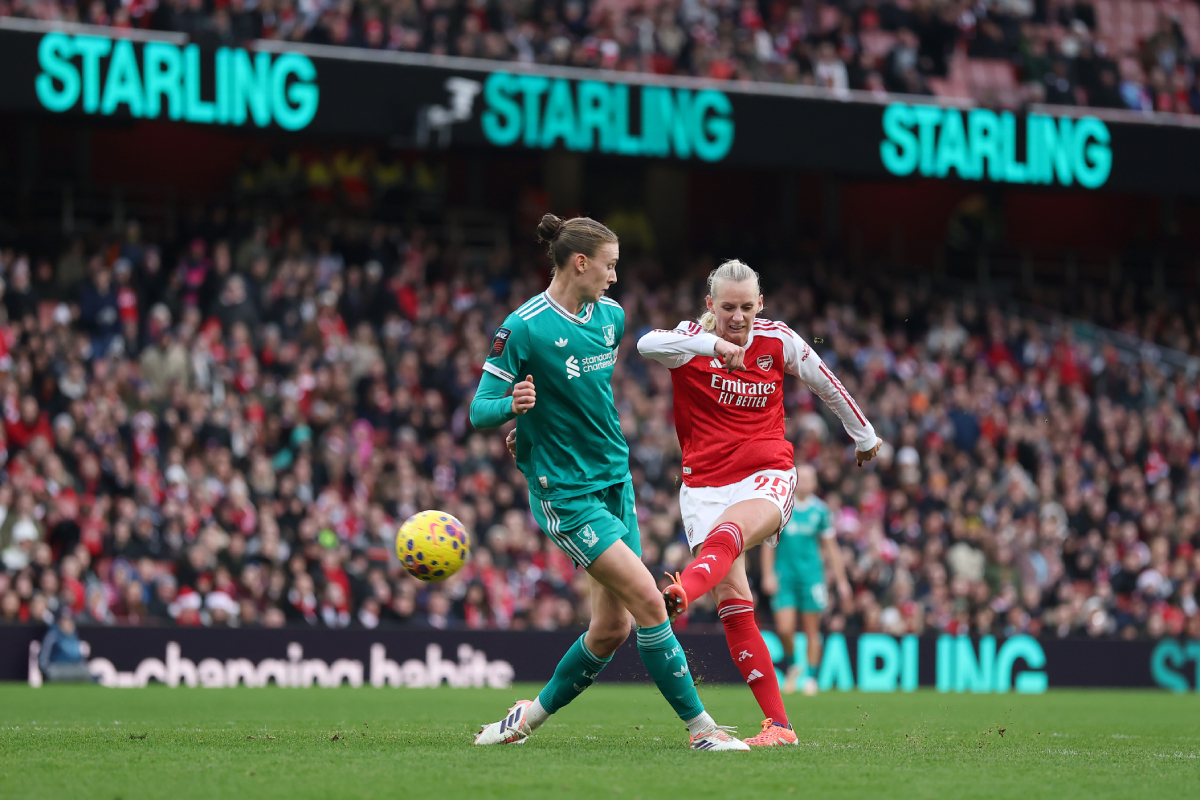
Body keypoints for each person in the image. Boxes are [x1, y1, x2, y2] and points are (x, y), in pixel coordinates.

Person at [468, 215, 747, 751]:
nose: (615, 277)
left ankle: (522, 721)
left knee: (611, 630)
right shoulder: (524, 326)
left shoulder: (611, 318)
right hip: (567, 493)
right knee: (649, 598)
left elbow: (581, 399)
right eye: (610, 265)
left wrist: (535, 424)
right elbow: (480, 409)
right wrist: (513, 409)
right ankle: (702, 731)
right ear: (580, 263)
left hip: (615, 482)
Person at [637, 259, 879, 746]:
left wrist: (863, 434)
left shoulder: (778, 340)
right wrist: (713, 343)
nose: (739, 317)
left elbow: (825, 381)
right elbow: (645, 343)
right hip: (703, 485)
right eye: (728, 308)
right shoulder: (689, 342)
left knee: (732, 533)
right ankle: (780, 726)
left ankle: (683, 590)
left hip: (766, 472)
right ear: (711, 306)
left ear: (761, 304)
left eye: (748, 307)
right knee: (735, 603)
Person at [761, 464, 852, 695]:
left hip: (812, 577)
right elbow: (768, 545)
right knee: (784, 628)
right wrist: (768, 573)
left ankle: (811, 678)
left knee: (812, 629)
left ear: (815, 483)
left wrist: (842, 581)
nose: (806, 482)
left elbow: (832, 548)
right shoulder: (782, 507)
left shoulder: (821, 511)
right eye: (802, 478)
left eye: (810, 478)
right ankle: (793, 664)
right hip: (785, 576)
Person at [38, 611, 94, 682]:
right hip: (58, 667)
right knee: (52, 674)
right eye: (65, 621)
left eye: (69, 621)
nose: (67, 624)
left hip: (74, 667)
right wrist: (44, 669)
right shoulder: (53, 635)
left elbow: (79, 658)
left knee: (86, 673)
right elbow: (44, 654)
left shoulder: (74, 636)